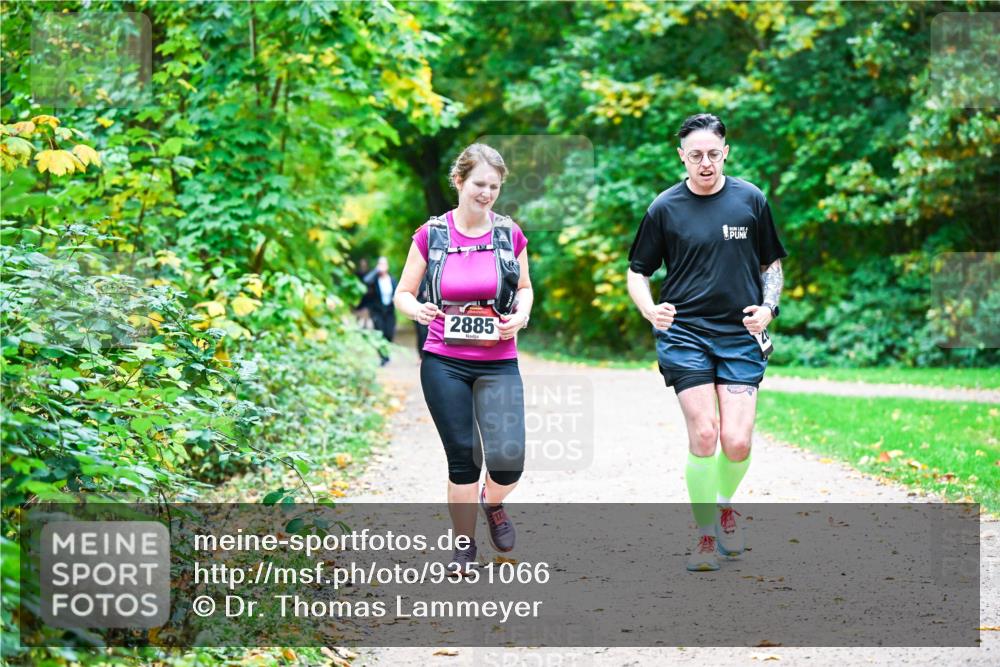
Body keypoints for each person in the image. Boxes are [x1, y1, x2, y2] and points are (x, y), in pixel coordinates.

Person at [626, 113, 786, 572]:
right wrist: (649, 309)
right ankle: (702, 537)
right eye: (695, 156)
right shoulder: (665, 208)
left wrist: (768, 309)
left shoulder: (750, 200)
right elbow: (637, 271)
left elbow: (770, 265)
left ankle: (723, 504)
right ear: (682, 157)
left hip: (739, 335)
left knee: (736, 441)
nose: (705, 163)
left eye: (713, 154)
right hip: (685, 334)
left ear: (725, 152)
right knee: (705, 433)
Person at [394, 143, 533, 574]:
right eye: (478, 184)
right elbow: (403, 292)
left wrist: (521, 316)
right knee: (463, 456)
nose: (486, 192)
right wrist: (416, 309)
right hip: (444, 360)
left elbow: (525, 288)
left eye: (493, 185)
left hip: (498, 358)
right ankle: (463, 546)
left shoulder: (509, 234)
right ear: (459, 181)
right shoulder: (432, 234)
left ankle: (492, 503)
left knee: (509, 459)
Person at [364, 256, 397, 366]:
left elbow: (398, 292)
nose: (383, 266)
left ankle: (386, 353)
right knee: (380, 333)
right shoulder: (374, 280)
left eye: (384, 264)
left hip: (389, 311)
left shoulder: (392, 279)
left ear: (387, 266)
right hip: (377, 311)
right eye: (380, 264)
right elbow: (366, 281)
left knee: (389, 333)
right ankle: (383, 357)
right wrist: (376, 271)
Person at [353, 257, 376, 329]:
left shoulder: (369, 273)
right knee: (359, 314)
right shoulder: (357, 273)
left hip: (368, 297)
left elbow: (373, 285)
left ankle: (365, 327)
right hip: (360, 297)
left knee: (366, 312)